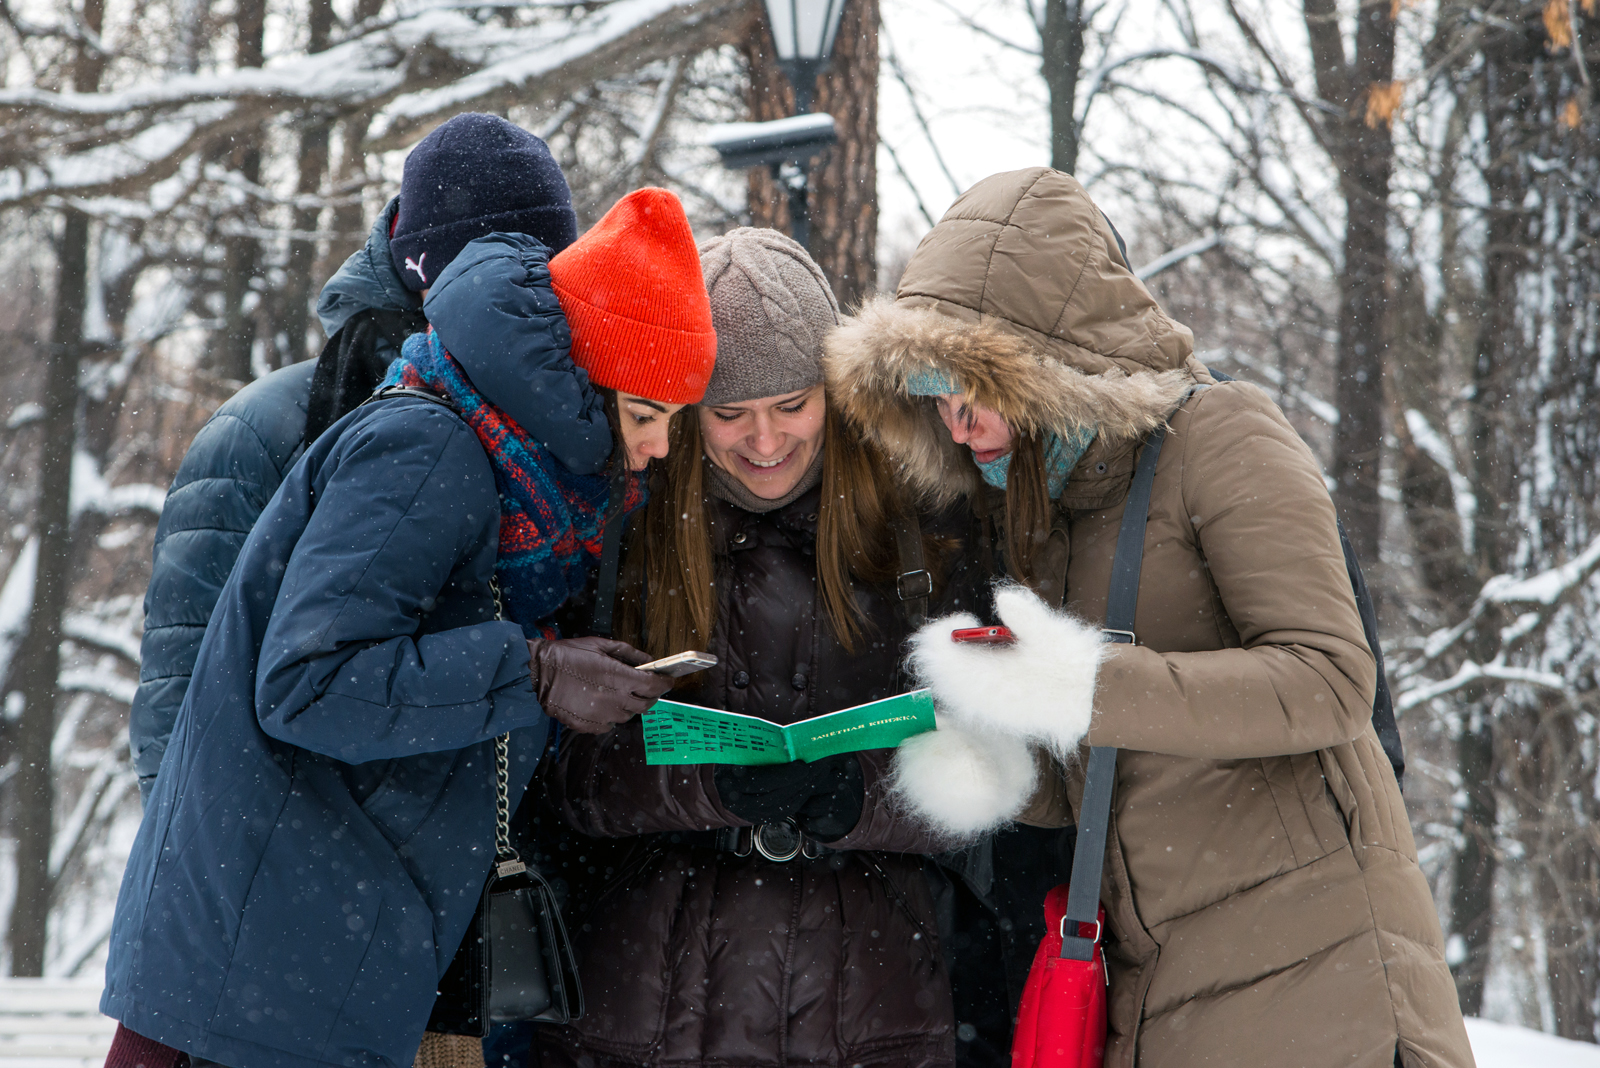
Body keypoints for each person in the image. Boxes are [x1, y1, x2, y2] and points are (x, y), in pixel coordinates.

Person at [822, 168, 1474, 1068]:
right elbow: (1113, 759)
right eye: (936, 393)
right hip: (1167, 984)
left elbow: (1330, 681)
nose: (958, 422)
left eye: (976, 388)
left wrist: (1077, 683)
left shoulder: (1224, 433)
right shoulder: (1052, 517)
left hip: (1322, 977)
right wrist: (988, 752)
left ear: (1052, 363)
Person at [100, 187, 716, 1068]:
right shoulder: (432, 449)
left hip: (295, 958)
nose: (656, 451)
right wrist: (535, 673)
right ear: (582, 378)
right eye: (648, 417)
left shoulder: (499, 460)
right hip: (262, 978)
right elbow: (306, 683)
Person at [541, 229, 960, 1068]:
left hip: (868, 999)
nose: (763, 443)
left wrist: (857, 796)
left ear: (832, 395)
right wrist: (706, 783)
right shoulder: (625, 530)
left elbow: (994, 782)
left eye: (791, 406)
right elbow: (557, 783)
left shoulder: (922, 530)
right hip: (650, 994)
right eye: (729, 414)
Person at [131, 112, 591, 805]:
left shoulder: (580, 427)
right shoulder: (266, 434)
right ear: (428, 276)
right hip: (322, 864)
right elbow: (184, 700)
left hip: (517, 866)